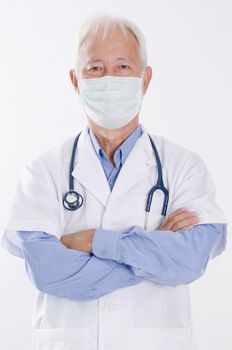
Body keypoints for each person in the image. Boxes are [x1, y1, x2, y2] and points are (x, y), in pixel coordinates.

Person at [2, 14, 227, 350]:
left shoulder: (184, 167)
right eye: (95, 68)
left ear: (145, 79)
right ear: (75, 81)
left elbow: (190, 261)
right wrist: (152, 254)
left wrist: (94, 240)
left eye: (123, 66)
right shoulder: (43, 171)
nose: (109, 77)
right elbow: (48, 270)